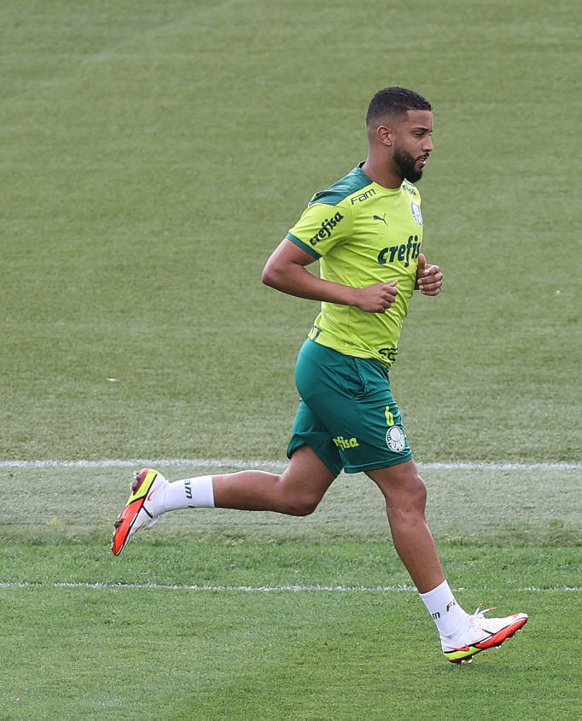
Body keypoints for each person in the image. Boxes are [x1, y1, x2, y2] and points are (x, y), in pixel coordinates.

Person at [112, 86, 526, 664]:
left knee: (298, 494)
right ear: (385, 135)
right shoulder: (343, 201)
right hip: (344, 368)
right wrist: (353, 295)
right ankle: (454, 628)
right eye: (419, 134)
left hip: (350, 363)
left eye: (431, 133)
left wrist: (421, 274)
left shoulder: (408, 194)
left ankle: (160, 496)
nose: (430, 145)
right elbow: (277, 269)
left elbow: (390, 257)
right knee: (408, 491)